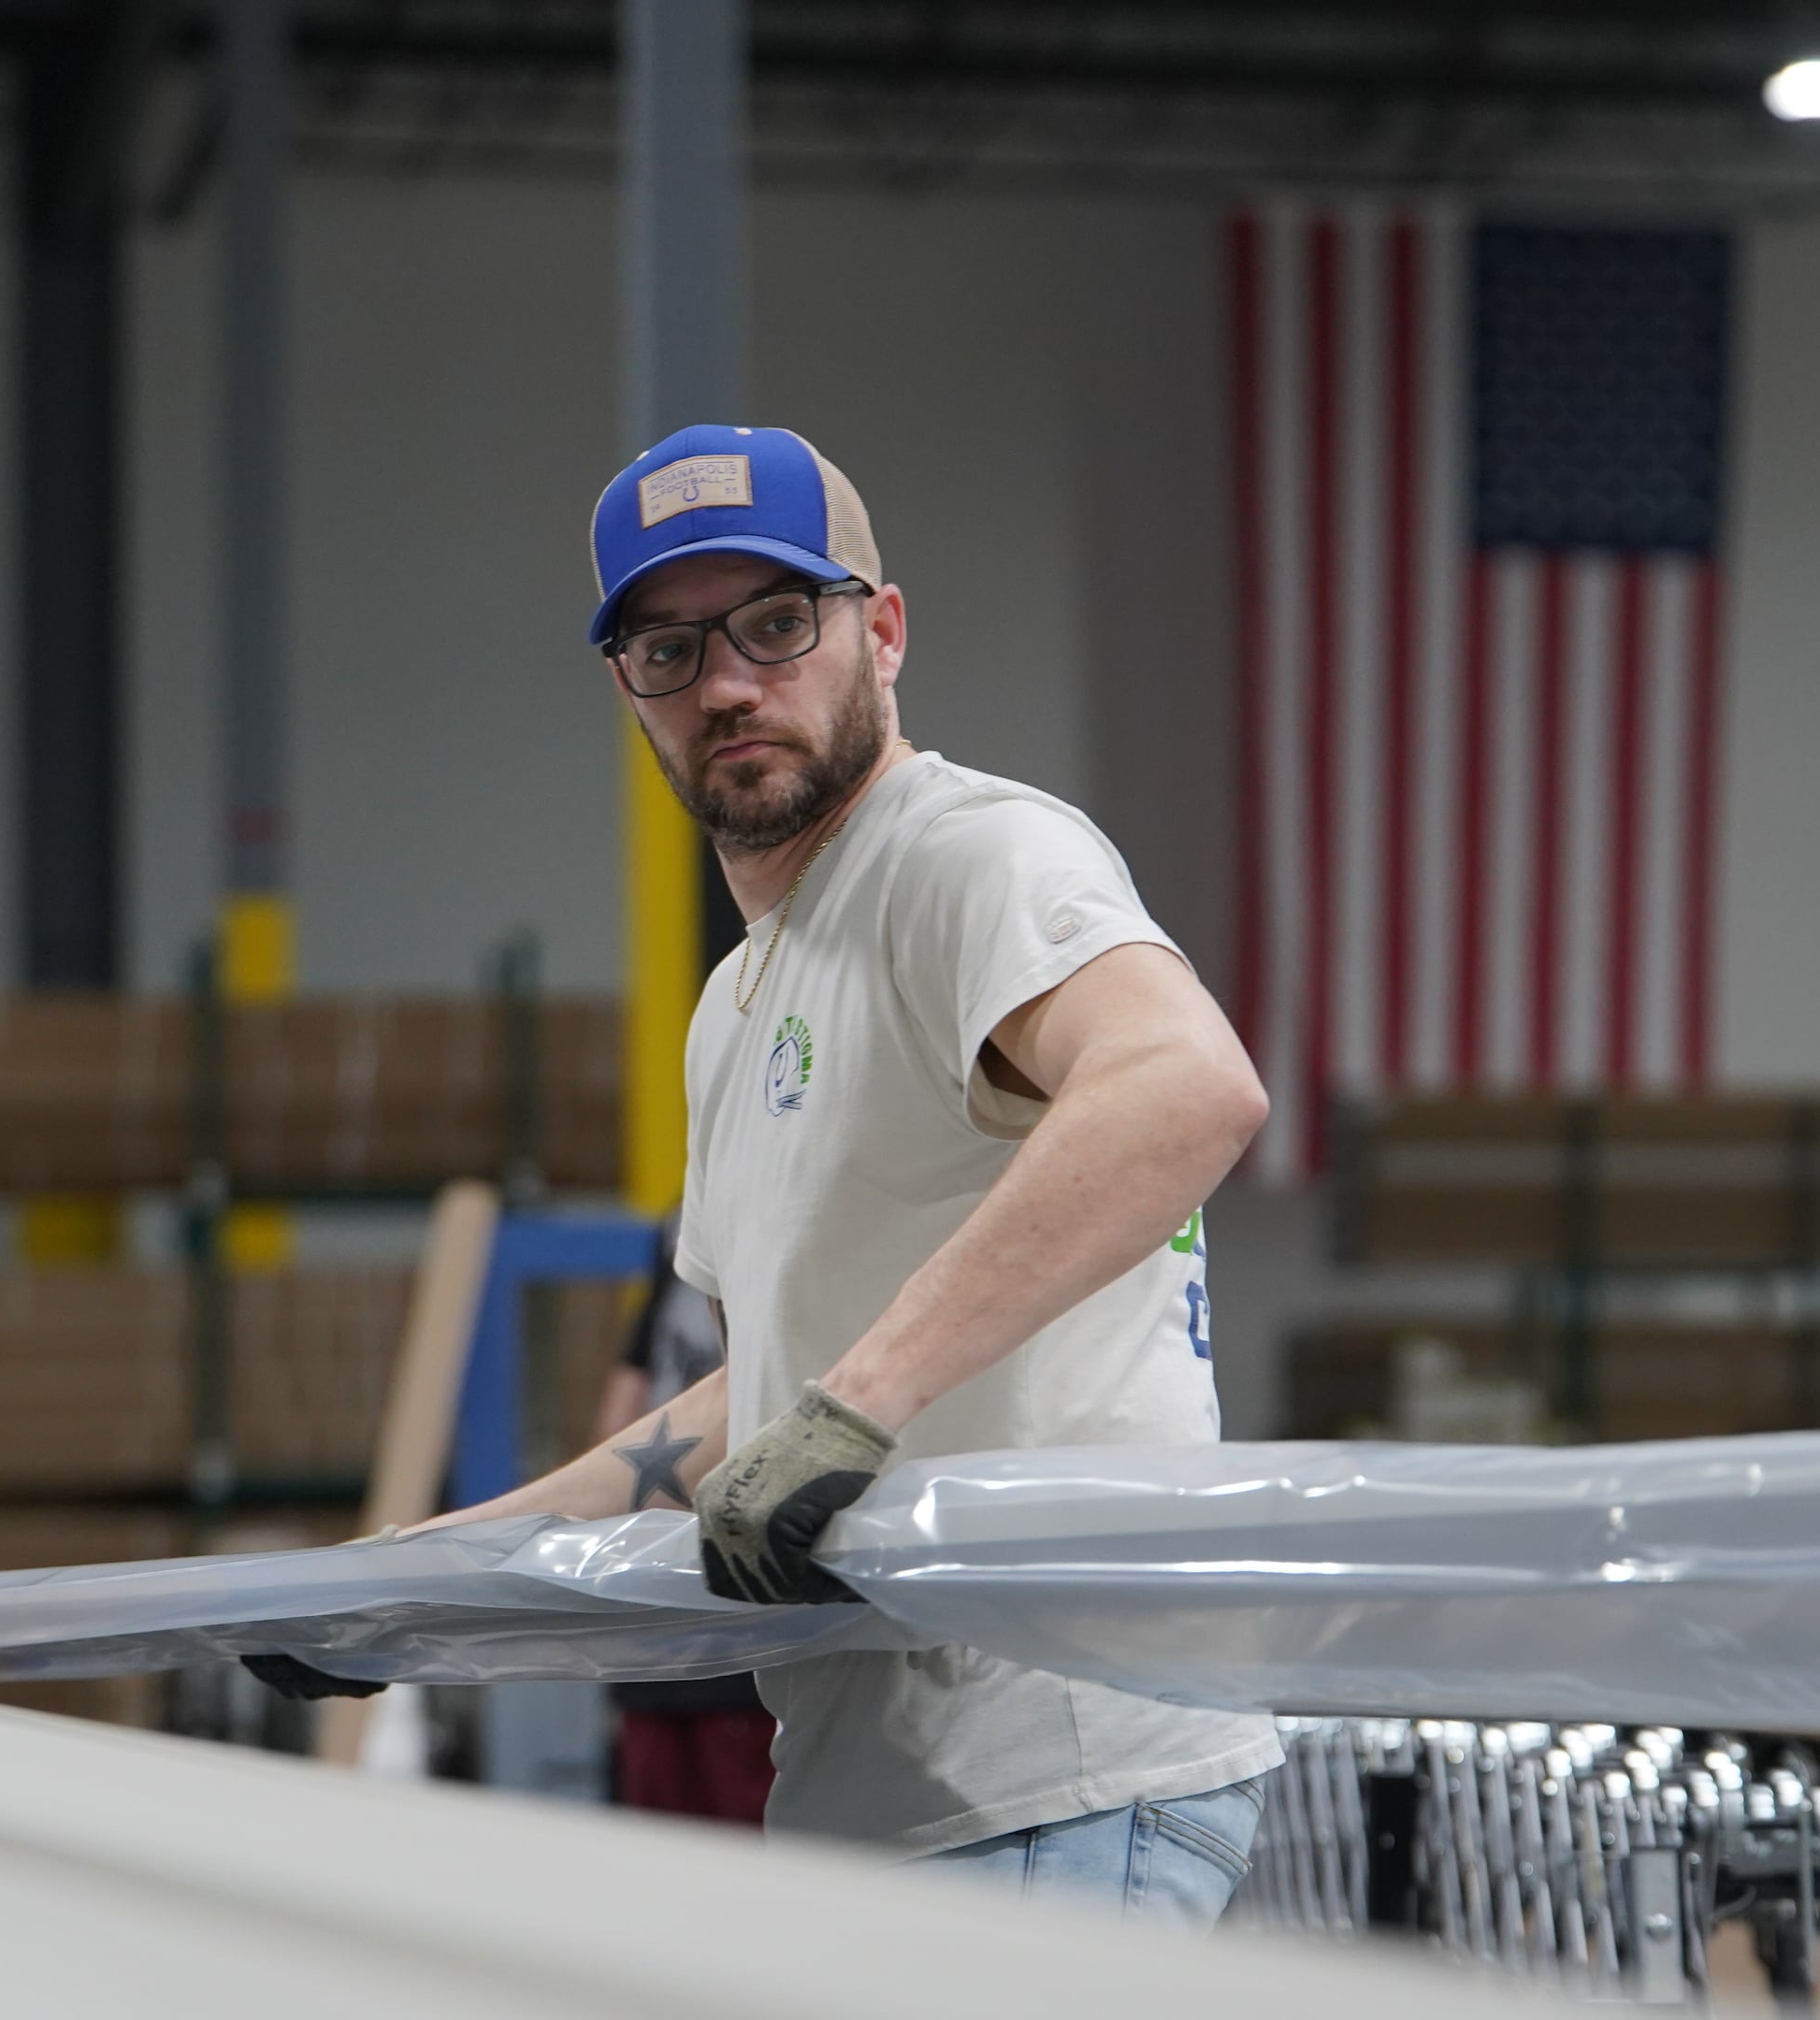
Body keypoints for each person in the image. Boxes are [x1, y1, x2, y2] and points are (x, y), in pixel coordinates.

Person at [265, 423, 1278, 1924]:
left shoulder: (969, 857)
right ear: (629, 692)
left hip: (1064, 1772)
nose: (727, 682)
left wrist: (854, 1405)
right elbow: (761, 1408)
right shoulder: (738, 1009)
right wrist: (433, 1570)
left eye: (775, 623)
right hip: (885, 1788)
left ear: (883, 630)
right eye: (669, 650)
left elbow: (1186, 1084)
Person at [591, 1203, 776, 1825]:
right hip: (663, 1592)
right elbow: (633, 1384)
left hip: (752, 1593)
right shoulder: (687, 1218)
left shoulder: (781, 1199)